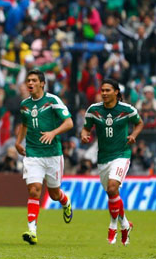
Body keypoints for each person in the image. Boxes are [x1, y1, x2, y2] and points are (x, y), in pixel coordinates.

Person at [81, 78, 143, 246]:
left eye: (108, 90)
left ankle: (112, 226)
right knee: (112, 194)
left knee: (112, 188)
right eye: (102, 90)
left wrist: (133, 136)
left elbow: (139, 123)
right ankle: (125, 225)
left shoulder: (126, 109)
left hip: (122, 154)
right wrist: (84, 134)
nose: (104, 93)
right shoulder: (94, 110)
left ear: (116, 92)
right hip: (103, 158)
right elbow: (86, 127)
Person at [15, 70, 73, 245]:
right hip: (33, 154)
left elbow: (69, 122)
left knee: (54, 194)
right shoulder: (24, 105)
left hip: (53, 154)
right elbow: (24, 124)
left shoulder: (52, 101)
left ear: (42, 83)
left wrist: (53, 132)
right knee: (34, 190)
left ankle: (65, 200)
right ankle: (32, 231)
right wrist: (18, 142)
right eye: (28, 81)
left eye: (34, 80)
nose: (30, 83)